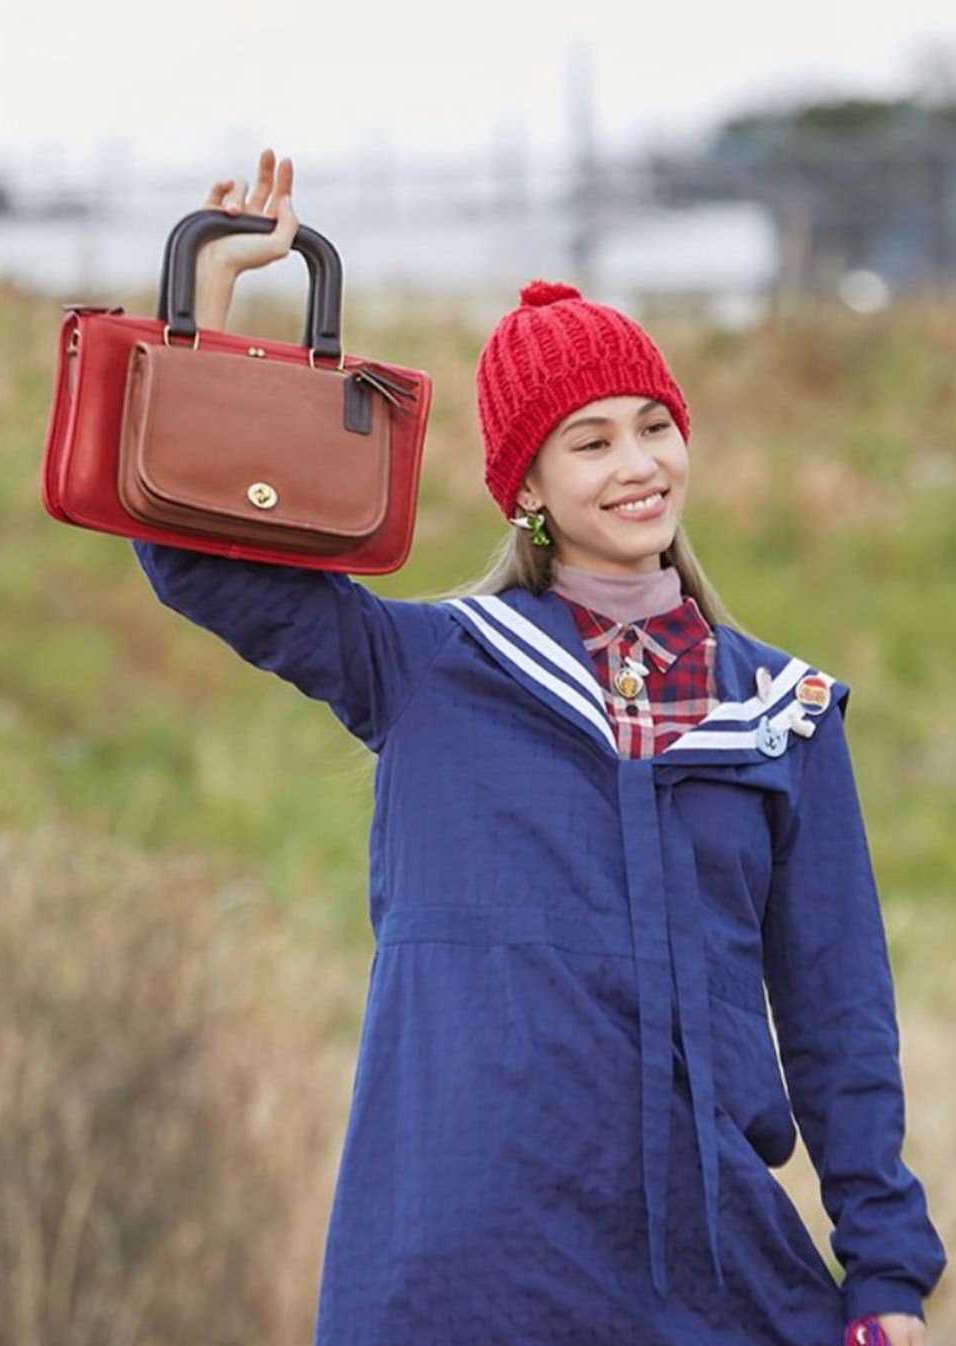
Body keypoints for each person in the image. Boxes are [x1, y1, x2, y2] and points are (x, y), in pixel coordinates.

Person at [130, 148, 947, 1346]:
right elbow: (191, 556)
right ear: (529, 486)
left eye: (655, 427)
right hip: (465, 1269)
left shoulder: (784, 711)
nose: (638, 466)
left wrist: (884, 1277)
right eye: (593, 441)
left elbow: (838, 1014)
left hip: (710, 1272)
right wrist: (207, 310)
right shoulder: (426, 669)